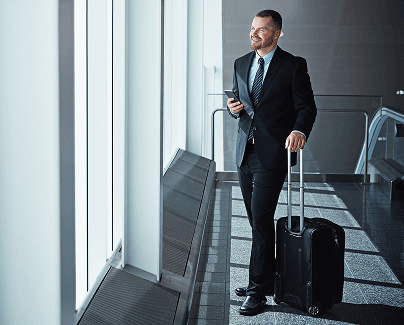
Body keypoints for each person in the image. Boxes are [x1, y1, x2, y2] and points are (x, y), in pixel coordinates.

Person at [227, 9, 317, 316]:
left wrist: (299, 129)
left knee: (261, 219)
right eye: (252, 28)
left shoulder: (292, 65)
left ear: (276, 34)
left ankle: (257, 292)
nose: (253, 34)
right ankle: (267, 279)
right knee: (256, 222)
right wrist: (233, 108)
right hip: (244, 153)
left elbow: (306, 107)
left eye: (261, 30)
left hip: (273, 155)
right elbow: (242, 105)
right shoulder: (240, 63)